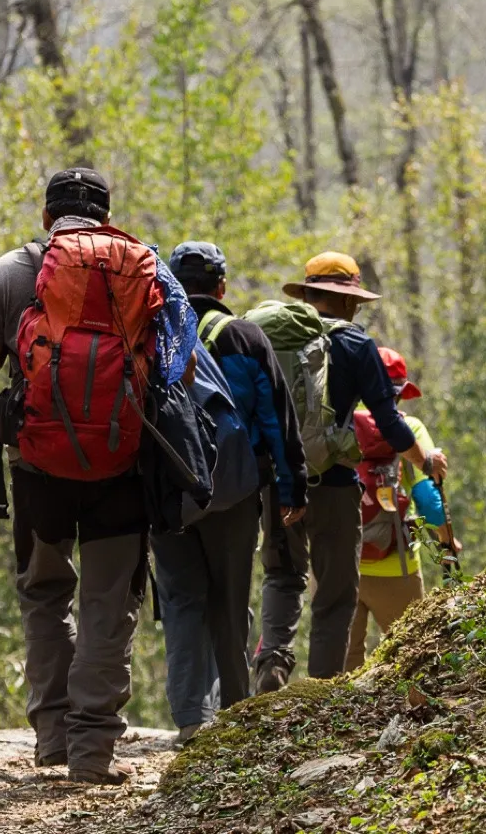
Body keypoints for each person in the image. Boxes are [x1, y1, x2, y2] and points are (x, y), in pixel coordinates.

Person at [0, 168, 168, 786]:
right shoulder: (144, 268)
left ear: (47, 217)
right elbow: (174, 371)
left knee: (45, 591)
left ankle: (51, 734)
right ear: (106, 216)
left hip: (38, 463)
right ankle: (92, 750)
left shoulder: (13, 269)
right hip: (121, 463)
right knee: (109, 600)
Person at [251, 253, 447, 690]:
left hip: (277, 478)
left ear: (308, 294)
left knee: (283, 576)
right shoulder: (357, 345)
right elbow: (390, 423)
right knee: (336, 595)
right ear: (347, 300)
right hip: (334, 482)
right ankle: (322, 692)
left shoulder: (275, 338)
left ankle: (273, 666)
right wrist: (424, 460)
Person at [155, 242, 308, 743]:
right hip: (235, 490)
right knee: (229, 601)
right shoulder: (246, 336)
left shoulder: (155, 334)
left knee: (180, 600)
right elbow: (275, 418)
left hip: (168, 489)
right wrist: (291, 489)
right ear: (222, 287)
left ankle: (190, 718)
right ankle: (237, 717)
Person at [345, 347, 460, 672]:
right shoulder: (409, 429)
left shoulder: (340, 423)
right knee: (411, 660)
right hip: (395, 565)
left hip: (340, 565)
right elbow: (427, 500)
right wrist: (447, 540)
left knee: (343, 669)